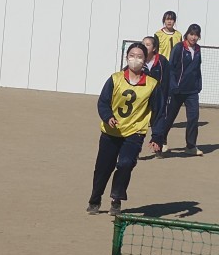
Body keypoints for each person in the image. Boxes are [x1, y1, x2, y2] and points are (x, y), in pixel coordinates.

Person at [87, 42, 164, 216]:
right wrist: (108, 116)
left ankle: (116, 199)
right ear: (126, 57)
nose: (135, 59)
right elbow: (103, 102)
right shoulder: (115, 79)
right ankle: (95, 199)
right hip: (111, 131)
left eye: (139, 56)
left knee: (126, 163)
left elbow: (159, 113)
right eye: (132, 56)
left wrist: (157, 136)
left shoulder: (152, 84)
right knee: (103, 168)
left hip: (135, 132)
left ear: (145, 60)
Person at [162, 24, 203, 156]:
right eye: (191, 34)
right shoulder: (179, 47)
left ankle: (191, 146)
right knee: (169, 117)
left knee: (193, 118)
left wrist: (198, 85)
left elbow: (197, 68)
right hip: (177, 90)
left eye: (196, 35)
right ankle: (161, 141)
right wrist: (173, 86)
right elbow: (171, 68)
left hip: (192, 91)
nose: (194, 37)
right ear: (187, 34)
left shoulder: (198, 49)